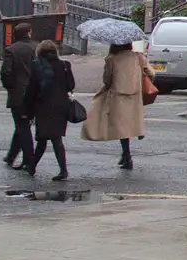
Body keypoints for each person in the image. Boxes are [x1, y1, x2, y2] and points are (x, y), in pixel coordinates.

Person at [82, 41, 153, 170]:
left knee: (122, 128)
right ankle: (127, 153)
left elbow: (107, 79)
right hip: (135, 96)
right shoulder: (138, 57)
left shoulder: (112, 59)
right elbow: (152, 73)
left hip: (119, 96)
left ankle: (127, 156)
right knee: (129, 126)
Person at [22, 41, 75, 181]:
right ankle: (60, 170)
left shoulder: (36, 66)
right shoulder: (65, 65)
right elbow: (71, 85)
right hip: (61, 106)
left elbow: (31, 90)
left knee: (43, 138)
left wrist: (27, 111)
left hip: (44, 106)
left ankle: (33, 166)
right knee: (56, 138)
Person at [0, 22, 36, 170]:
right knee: (23, 125)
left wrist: (10, 87)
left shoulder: (11, 50)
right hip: (35, 93)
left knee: (22, 126)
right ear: (28, 33)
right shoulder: (37, 47)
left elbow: (5, 72)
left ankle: (28, 159)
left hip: (19, 93)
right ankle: (11, 155)